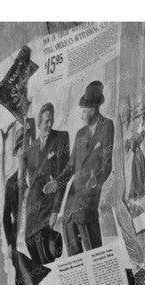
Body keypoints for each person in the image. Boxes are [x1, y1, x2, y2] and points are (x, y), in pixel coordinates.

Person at [58, 80, 116, 256]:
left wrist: (96, 180)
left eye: (83, 111)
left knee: (93, 251)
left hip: (89, 199)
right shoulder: (80, 134)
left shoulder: (107, 126)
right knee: (73, 253)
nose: (81, 116)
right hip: (71, 201)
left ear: (92, 111)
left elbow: (107, 163)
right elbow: (70, 166)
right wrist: (58, 181)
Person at [23, 102, 70, 266]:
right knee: (29, 241)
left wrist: (55, 211)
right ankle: (40, 274)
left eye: (52, 120)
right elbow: (30, 180)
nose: (50, 124)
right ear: (39, 122)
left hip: (49, 204)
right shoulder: (31, 149)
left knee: (47, 248)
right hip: (33, 204)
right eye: (46, 121)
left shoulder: (61, 138)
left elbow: (62, 178)